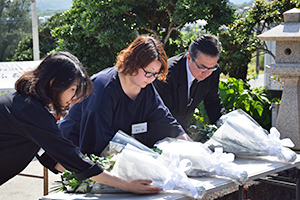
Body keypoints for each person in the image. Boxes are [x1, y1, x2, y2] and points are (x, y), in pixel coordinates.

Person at [0, 51, 160, 194]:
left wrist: (84, 170)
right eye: (72, 89)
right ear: (53, 82)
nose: (74, 97)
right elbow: (69, 156)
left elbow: (48, 153)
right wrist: (126, 185)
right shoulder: (30, 111)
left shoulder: (22, 104)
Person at [59, 35, 192, 156]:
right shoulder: (103, 87)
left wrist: (191, 145)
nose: (151, 78)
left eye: (156, 74)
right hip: (74, 150)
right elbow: (97, 141)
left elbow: (164, 119)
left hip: (113, 150)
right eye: (149, 72)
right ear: (134, 63)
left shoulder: (145, 87)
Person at [153, 34, 226, 132]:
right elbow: (162, 114)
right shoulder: (167, 74)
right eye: (202, 67)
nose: (206, 72)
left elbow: (213, 102)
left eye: (211, 67)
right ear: (189, 57)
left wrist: (223, 124)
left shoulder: (212, 72)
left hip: (182, 128)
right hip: (158, 130)